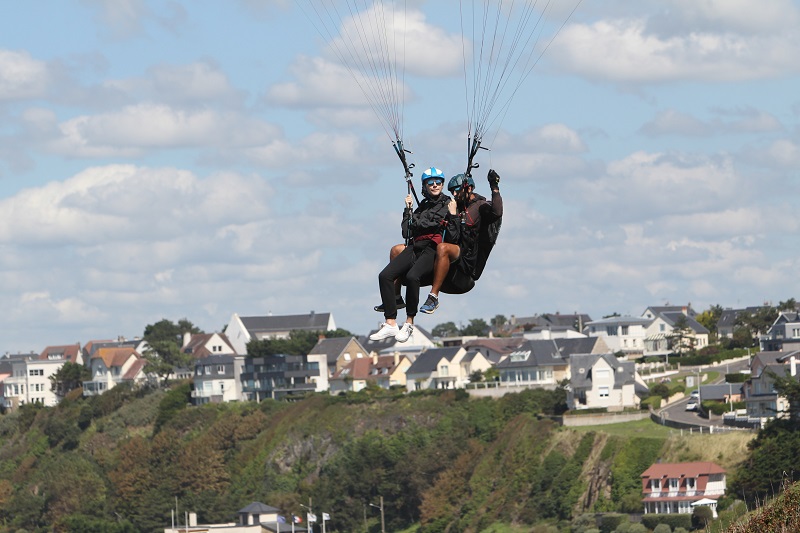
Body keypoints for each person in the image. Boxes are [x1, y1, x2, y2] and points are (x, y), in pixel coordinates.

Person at [370, 167, 457, 342]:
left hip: (432, 247)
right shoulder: (421, 207)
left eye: (438, 182)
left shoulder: (448, 203)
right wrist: (408, 211)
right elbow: (406, 232)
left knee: (412, 277)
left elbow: (449, 233)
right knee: (385, 275)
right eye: (430, 182)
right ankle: (390, 322)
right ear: (424, 186)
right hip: (415, 246)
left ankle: (409, 322)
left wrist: (452, 215)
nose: (434, 185)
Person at [418, 169, 503, 314]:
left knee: (443, 248)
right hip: (454, 264)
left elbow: (496, 212)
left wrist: (494, 187)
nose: (455, 195)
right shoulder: (456, 208)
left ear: (469, 189)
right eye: (452, 193)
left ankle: (433, 298)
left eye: (457, 191)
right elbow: (452, 237)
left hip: (466, 270)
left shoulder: (481, 206)